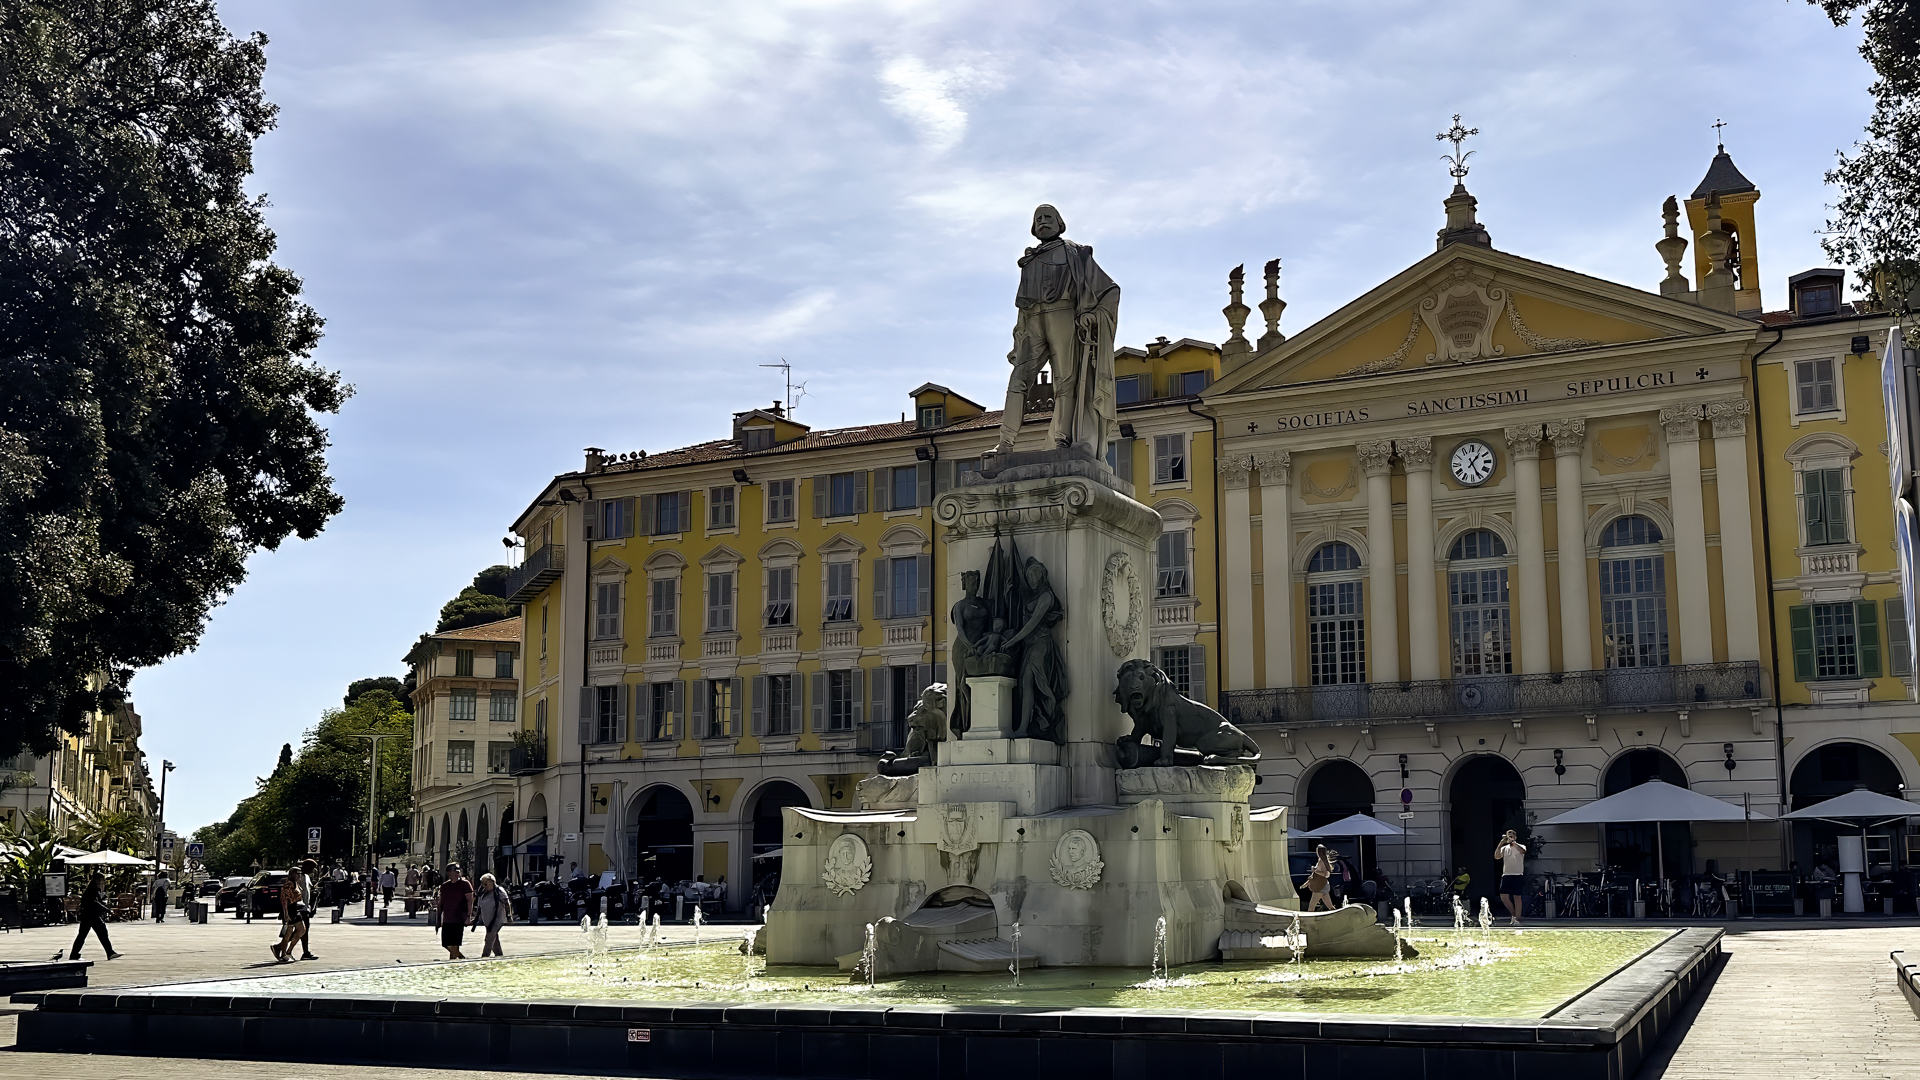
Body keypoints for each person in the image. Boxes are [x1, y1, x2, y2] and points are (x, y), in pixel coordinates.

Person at [69, 875, 121, 961]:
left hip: (88, 915)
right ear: (98, 880)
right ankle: (109, 952)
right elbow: (94, 902)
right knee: (100, 933)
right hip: (91, 915)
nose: (103, 883)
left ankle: (74, 954)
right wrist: (106, 909)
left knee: (84, 935)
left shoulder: (92, 889)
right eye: (102, 880)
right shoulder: (93, 889)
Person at [437, 864, 475, 960]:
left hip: (459, 918)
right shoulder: (445, 886)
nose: (456, 873)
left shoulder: (465, 884)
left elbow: (470, 901)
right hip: (447, 918)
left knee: (455, 944)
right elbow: (441, 902)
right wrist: (438, 917)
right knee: (445, 944)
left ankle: (453, 962)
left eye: (457, 871)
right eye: (452, 871)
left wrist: (468, 916)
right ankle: (461, 958)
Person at [471, 872, 511, 958]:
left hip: (497, 918)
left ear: (491, 882)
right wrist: (476, 918)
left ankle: (485, 956)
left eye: (485, 884)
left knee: (489, 938)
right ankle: (499, 954)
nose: (484, 886)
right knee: (494, 938)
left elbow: (506, 903)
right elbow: (479, 906)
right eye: (482, 884)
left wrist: (509, 915)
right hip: (487, 920)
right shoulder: (482, 892)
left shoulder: (499, 890)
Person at [273, 873, 311, 962]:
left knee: (302, 930)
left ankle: (289, 951)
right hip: (289, 909)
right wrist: (286, 914)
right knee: (288, 933)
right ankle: (283, 954)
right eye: (298, 874)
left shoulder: (296, 883)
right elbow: (284, 900)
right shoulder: (288, 884)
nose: (299, 876)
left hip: (295, 908)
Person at [1495, 830, 1528, 925]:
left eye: (1511, 836)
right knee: (1504, 896)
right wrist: (1500, 844)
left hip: (1518, 874)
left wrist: (1514, 843)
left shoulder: (1520, 846)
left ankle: (1517, 918)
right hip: (1506, 874)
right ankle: (1514, 915)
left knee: (1517, 897)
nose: (1510, 838)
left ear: (1515, 837)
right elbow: (1497, 856)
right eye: (1508, 836)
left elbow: (1523, 851)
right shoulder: (1504, 848)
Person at [1303, 845, 1335, 912]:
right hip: (1324, 885)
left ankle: (1311, 919)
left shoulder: (1321, 861)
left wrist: (1315, 870)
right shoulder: (1324, 860)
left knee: (1311, 907)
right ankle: (1339, 916)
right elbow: (1326, 874)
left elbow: (1325, 874)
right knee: (1330, 907)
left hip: (1320, 887)